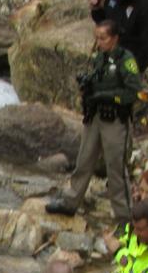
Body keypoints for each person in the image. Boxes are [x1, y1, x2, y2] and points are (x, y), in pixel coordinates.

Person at [46, 19, 142, 226]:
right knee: (84, 160)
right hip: (94, 117)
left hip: (115, 119)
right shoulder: (99, 58)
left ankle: (124, 216)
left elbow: (133, 91)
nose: (99, 42)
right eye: (97, 38)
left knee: (115, 167)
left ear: (115, 38)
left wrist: (108, 96)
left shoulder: (126, 61)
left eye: (103, 38)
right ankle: (71, 201)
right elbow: (94, 80)